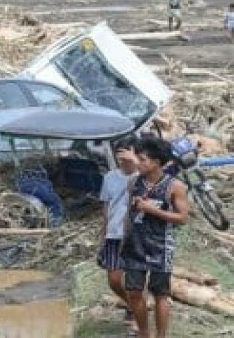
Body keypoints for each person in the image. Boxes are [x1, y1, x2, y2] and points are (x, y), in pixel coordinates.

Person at [121, 138, 190, 338]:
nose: (138, 163)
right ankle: (144, 333)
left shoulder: (175, 186)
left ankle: (161, 335)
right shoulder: (134, 182)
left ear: (157, 162)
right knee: (134, 291)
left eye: (143, 160)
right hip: (135, 244)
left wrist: (153, 210)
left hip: (160, 245)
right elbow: (129, 213)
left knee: (160, 293)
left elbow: (183, 218)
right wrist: (123, 239)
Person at [97, 138, 139, 335]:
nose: (123, 159)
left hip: (135, 236)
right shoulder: (109, 178)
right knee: (114, 280)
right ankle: (133, 305)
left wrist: (136, 162)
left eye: (126, 154)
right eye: (119, 155)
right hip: (113, 235)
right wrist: (102, 237)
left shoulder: (143, 177)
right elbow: (106, 207)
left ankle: (136, 320)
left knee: (134, 279)